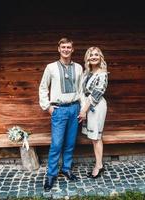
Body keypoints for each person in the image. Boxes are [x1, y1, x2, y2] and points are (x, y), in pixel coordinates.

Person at [39, 38, 83, 191]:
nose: (66, 49)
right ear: (58, 49)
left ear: (72, 49)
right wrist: (48, 107)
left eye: (68, 47)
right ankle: (51, 174)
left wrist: (82, 109)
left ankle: (66, 168)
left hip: (74, 108)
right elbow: (43, 87)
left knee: (70, 143)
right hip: (59, 110)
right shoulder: (50, 67)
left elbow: (81, 90)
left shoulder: (78, 67)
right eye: (63, 47)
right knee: (57, 144)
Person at [78, 46, 108, 178]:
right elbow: (82, 91)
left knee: (96, 137)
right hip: (87, 106)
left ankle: (99, 165)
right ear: (87, 58)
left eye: (96, 55)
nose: (94, 57)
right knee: (93, 138)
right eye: (91, 55)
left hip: (96, 106)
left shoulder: (102, 73)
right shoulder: (86, 73)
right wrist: (82, 107)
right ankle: (99, 163)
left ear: (100, 57)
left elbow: (97, 93)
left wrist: (84, 110)